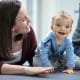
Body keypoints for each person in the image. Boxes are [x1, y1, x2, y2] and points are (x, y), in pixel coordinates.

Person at [0, 0, 53, 75]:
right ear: (11, 26)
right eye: (23, 19)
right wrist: (25, 69)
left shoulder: (29, 32)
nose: (29, 20)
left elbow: (34, 59)